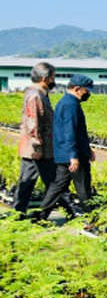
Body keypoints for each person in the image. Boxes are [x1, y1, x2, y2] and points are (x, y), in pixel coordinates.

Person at [13, 62, 76, 215]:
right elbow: (32, 121)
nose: (54, 81)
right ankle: (71, 214)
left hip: (35, 149)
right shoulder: (35, 95)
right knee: (56, 182)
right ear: (44, 78)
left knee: (27, 184)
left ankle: (18, 214)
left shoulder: (39, 94)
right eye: (52, 77)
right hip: (39, 150)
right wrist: (37, 146)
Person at [36, 75, 96, 219]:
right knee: (83, 188)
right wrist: (74, 156)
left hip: (64, 153)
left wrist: (87, 149)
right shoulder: (71, 105)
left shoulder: (64, 102)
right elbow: (70, 131)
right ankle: (93, 219)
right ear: (77, 89)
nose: (88, 93)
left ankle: (40, 216)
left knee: (58, 187)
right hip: (72, 154)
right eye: (86, 90)